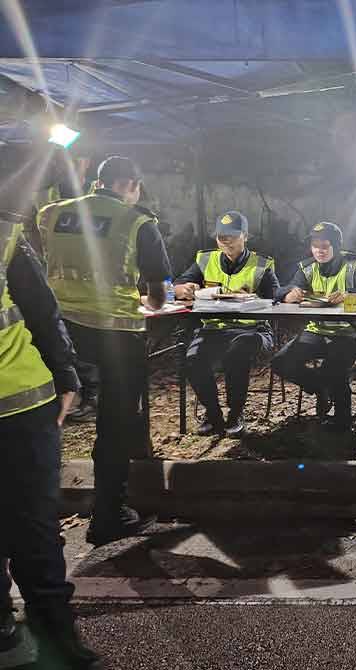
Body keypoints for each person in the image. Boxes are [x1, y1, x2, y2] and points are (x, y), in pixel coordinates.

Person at [37, 155, 170, 547]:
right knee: (115, 425)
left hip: (59, 330)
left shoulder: (52, 213)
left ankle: (37, 513)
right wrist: (149, 299)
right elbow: (158, 297)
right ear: (130, 184)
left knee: (46, 420)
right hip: (117, 334)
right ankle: (108, 515)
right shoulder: (138, 222)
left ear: (99, 181)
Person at [0, 214, 102, 669]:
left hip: (22, 405)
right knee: (34, 528)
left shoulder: (5, 233)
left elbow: (40, 308)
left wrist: (65, 374)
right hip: (24, 406)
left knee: (35, 529)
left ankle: (54, 633)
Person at [173, 211, 279, 437]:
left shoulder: (261, 264)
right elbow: (178, 285)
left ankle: (236, 414)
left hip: (253, 329)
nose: (226, 241)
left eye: (232, 236)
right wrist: (184, 289)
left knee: (237, 351)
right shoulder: (205, 260)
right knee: (192, 358)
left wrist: (254, 298)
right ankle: (213, 414)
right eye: (221, 236)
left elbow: (276, 299)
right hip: (214, 329)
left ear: (245, 236)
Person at [24, 151, 101, 424]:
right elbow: (33, 229)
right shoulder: (45, 193)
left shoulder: (92, 194)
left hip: (84, 282)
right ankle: (71, 394)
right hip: (51, 276)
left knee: (81, 343)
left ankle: (91, 396)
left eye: (80, 161)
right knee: (60, 338)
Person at [273, 221, 356, 431]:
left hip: (351, 332)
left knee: (333, 367)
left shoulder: (355, 266)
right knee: (281, 362)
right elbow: (280, 291)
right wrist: (289, 295)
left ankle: (342, 421)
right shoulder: (307, 268)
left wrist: (349, 296)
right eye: (315, 246)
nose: (319, 250)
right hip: (318, 330)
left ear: (337, 246)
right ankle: (320, 388)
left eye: (325, 245)